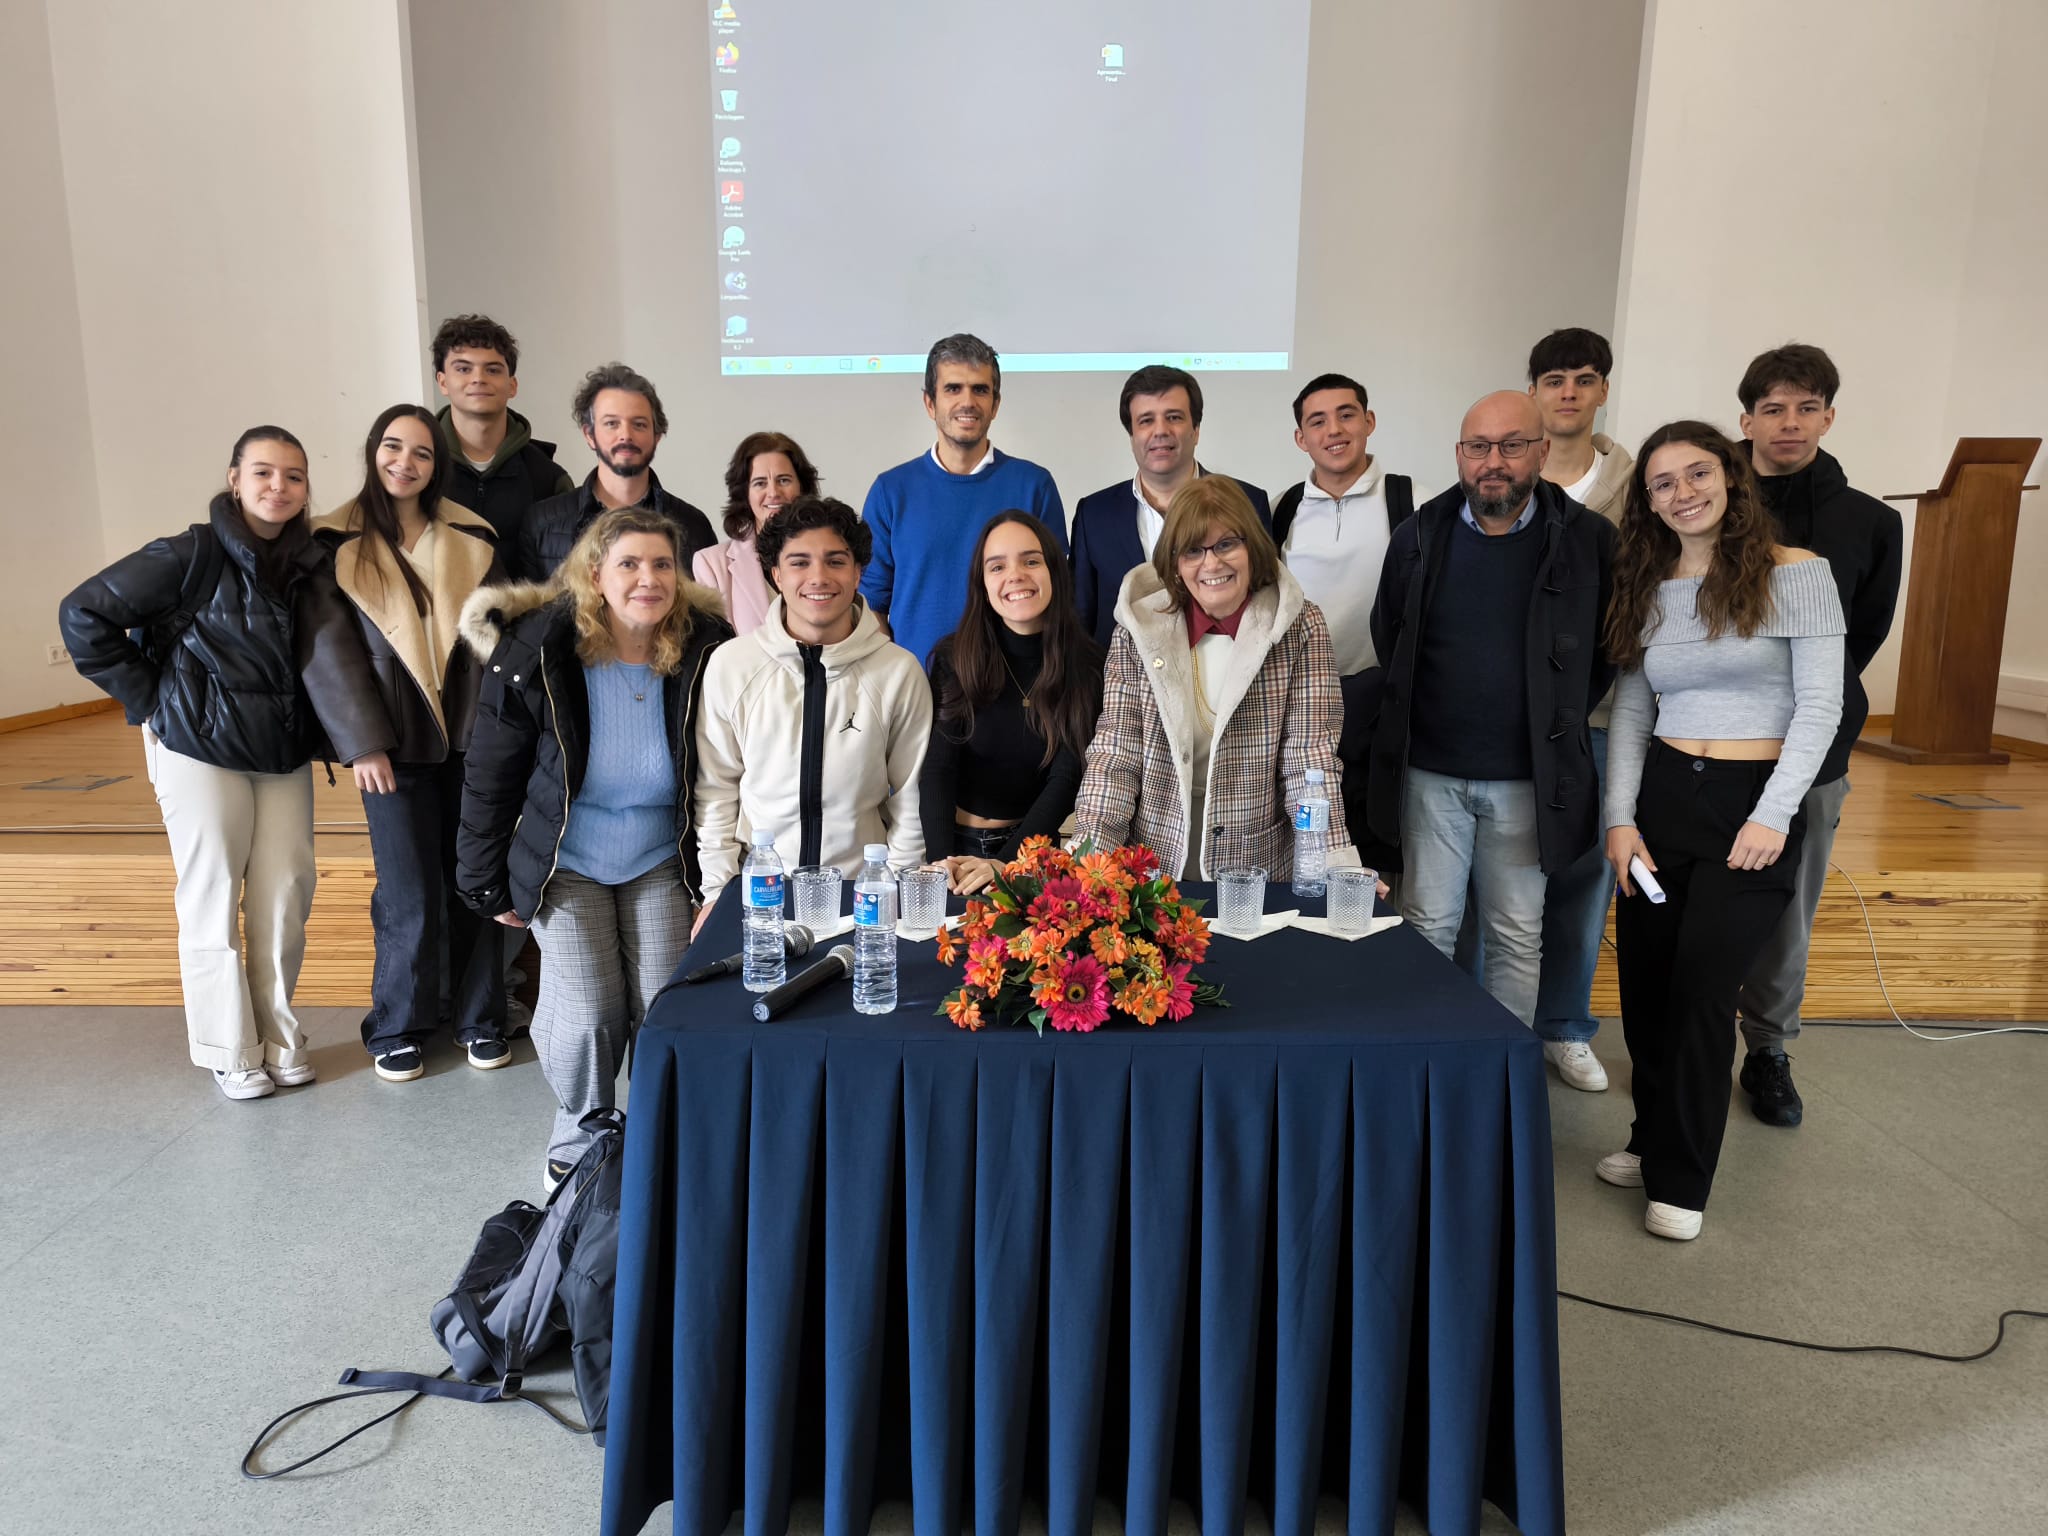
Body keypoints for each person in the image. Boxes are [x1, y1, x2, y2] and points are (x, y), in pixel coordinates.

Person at [59, 426, 389, 1100]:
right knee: (212, 895)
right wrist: (151, 699)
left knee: (286, 896)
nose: (279, 487)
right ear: (234, 478)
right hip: (197, 748)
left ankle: (279, 1039)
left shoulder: (309, 561)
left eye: (294, 476)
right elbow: (82, 613)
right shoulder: (190, 552)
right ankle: (228, 1048)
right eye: (264, 472)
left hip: (279, 753)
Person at [1600, 422, 1845, 1241]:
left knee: (1705, 993)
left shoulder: (1799, 575)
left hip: (1753, 799)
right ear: (1648, 501)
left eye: (1697, 473)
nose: (1682, 493)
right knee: (1647, 986)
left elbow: (1820, 705)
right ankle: (1651, 1134)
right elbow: (1634, 710)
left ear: (1732, 478)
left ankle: (1682, 1178)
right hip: (1665, 798)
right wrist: (1621, 819)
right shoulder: (1650, 581)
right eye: (1662, 483)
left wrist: (1774, 812)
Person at [456, 509, 731, 1189]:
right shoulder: (539, 648)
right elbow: (491, 773)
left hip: (662, 858)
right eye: (629, 565)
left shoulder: (707, 646)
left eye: (662, 564)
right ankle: (581, 1127)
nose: (648, 578)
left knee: (666, 1002)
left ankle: (663, 1124)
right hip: (567, 861)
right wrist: (484, 881)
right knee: (587, 1014)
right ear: (596, 577)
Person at [1365, 392, 1614, 1029]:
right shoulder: (1418, 534)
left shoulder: (1590, 541)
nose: (1492, 462)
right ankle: (1426, 1066)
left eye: (1511, 446)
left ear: (1541, 451)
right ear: (1459, 455)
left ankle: (1501, 1074)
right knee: (1427, 926)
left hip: (1529, 781)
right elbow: (1391, 635)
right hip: (1431, 774)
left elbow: (1604, 656)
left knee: (1515, 933)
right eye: (1478, 448)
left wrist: (1548, 723)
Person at [314, 403, 510, 1082]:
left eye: (422, 452)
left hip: (468, 737)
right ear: (373, 452)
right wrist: (361, 741)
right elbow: (326, 651)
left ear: (438, 464)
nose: (406, 462)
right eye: (393, 447)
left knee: (476, 882)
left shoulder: (471, 533)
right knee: (407, 893)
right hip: (389, 747)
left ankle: (482, 1018)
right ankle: (397, 1024)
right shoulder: (330, 540)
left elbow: (493, 639)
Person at [1734, 343, 1903, 1127]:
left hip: (1813, 750)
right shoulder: (1702, 498)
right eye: (1774, 408)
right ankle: (1681, 1040)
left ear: (1829, 416)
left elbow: (1859, 638)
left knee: (1787, 908)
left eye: (1806, 407)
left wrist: (1802, 710)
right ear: (1748, 419)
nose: (1790, 423)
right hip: (1698, 748)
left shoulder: (1868, 520)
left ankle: (1767, 1048)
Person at [1071, 477, 1360, 882]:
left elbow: (1309, 763)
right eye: (1192, 550)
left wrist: (1335, 866)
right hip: (1152, 865)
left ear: (1252, 547)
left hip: (1253, 870)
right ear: (1173, 562)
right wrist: (1087, 866)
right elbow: (1116, 758)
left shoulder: (1299, 625)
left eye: (1226, 544)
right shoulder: (1137, 630)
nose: (1211, 563)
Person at [694, 495, 931, 929]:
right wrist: (717, 893)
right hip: (760, 891)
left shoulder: (898, 671)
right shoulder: (733, 665)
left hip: (862, 894)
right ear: (776, 574)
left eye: (836, 561)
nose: (818, 577)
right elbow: (716, 791)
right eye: (799, 562)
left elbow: (912, 798)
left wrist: (895, 888)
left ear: (858, 572)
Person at [1516, 328, 1637, 1090]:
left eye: (1583, 379)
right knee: (1496, 873)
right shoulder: (1502, 477)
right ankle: (1488, 1015)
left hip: (1596, 715)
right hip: (1511, 714)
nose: (1568, 391)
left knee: (1582, 871)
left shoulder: (1637, 489)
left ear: (1601, 391)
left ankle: (1563, 1023)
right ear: (1533, 389)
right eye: (1554, 378)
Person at [921, 512, 1103, 893]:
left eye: (1031, 561)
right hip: (955, 850)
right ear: (983, 584)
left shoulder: (1087, 665)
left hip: (1033, 853)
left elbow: (1066, 778)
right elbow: (939, 767)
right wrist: (941, 865)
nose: (1015, 575)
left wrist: (1005, 864)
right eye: (997, 566)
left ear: (1054, 570)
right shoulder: (954, 658)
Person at [858, 334, 1066, 666]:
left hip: (1015, 689)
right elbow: (873, 606)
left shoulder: (1034, 485)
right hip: (919, 693)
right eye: (953, 389)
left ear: (995, 404)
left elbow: (1055, 596)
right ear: (930, 403)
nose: (967, 401)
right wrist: (896, 683)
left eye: (980, 389)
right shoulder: (890, 491)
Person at [1070, 365, 1269, 650]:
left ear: (1196, 430)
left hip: (1225, 679)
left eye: (1173, 417)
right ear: (1132, 436)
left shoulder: (1248, 502)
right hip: (1123, 685)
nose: (1160, 431)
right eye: (1146, 420)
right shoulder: (1094, 514)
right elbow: (1080, 620)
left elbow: (1264, 603)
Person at [1272, 372, 1429, 675]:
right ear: (1300, 438)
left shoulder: (1416, 503)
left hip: (1386, 698)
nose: (1334, 430)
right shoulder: (1280, 510)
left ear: (1369, 421)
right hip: (1301, 699)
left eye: (1346, 415)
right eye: (1317, 421)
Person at [515, 363, 716, 584]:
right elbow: (529, 615)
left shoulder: (694, 526)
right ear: (589, 434)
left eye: (639, 424)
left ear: (657, 435)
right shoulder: (541, 523)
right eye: (612, 423)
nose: (625, 435)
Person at [431, 313, 573, 547]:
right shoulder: (418, 467)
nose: (478, 379)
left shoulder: (549, 479)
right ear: (443, 382)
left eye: (493, 370)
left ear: (512, 386)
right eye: (464, 369)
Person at [693, 430, 820, 636]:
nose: (773, 492)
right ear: (745, 493)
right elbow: (717, 652)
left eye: (784, 480)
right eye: (760, 483)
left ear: (802, 487)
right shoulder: (711, 564)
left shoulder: (831, 555)